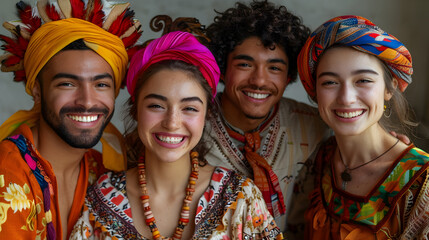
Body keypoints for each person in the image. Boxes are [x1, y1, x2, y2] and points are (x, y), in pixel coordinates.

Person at [71, 31, 283, 239]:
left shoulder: (241, 198)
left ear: (207, 114)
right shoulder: (101, 198)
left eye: (189, 108)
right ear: (136, 111)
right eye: (156, 105)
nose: (172, 123)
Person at [0, 0, 141, 239]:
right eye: (67, 83)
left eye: (101, 84)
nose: (87, 101)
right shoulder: (6, 175)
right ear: (37, 91)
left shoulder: (102, 170)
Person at [297, 15, 429, 239]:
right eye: (330, 82)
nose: (346, 98)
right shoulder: (322, 157)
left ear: (390, 88)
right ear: (315, 92)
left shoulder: (420, 183)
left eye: (363, 80)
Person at [204, 0, 330, 233]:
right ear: (222, 68)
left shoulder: (315, 125)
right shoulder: (188, 125)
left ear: (289, 76)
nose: (259, 81)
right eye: (244, 64)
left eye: (274, 68)